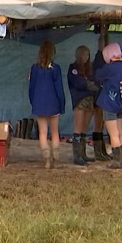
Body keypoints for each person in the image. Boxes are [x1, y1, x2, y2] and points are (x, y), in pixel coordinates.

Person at [28, 40, 65, 169]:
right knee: (54, 132)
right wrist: (62, 104)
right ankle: (56, 159)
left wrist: (33, 101)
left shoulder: (34, 68)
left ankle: (46, 159)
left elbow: (31, 88)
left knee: (42, 132)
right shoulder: (56, 69)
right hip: (54, 103)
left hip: (39, 103)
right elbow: (59, 89)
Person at [94, 42, 122, 169]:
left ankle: (116, 160)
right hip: (121, 103)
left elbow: (97, 74)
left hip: (109, 103)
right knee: (119, 132)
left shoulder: (109, 68)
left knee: (113, 133)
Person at [67, 45, 98, 166]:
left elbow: (94, 82)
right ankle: (77, 156)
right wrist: (88, 85)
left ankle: (83, 154)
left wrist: (88, 85)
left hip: (90, 100)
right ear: (79, 55)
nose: (86, 57)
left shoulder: (90, 68)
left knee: (85, 128)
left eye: (88, 54)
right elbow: (78, 83)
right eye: (84, 54)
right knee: (78, 128)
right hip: (79, 100)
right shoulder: (73, 67)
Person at [91, 34, 110, 161]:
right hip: (98, 96)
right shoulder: (99, 58)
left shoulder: (102, 58)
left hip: (101, 95)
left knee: (101, 124)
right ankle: (98, 151)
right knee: (98, 124)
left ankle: (101, 150)